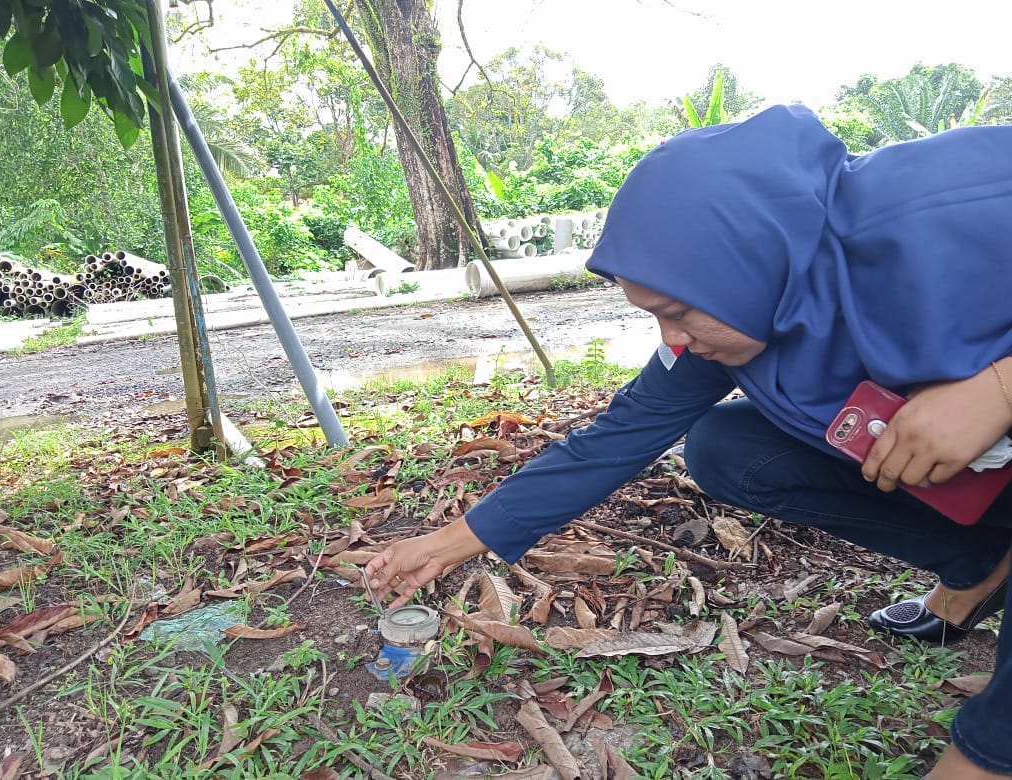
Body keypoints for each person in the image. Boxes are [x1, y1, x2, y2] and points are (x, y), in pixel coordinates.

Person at [365, 104, 1012, 779]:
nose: (671, 340)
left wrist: (998, 388)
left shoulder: (941, 208)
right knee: (726, 448)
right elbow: (611, 440)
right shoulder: (741, 304)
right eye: (653, 316)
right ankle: (985, 558)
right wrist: (444, 545)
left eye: (678, 313)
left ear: (748, 255)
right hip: (984, 476)